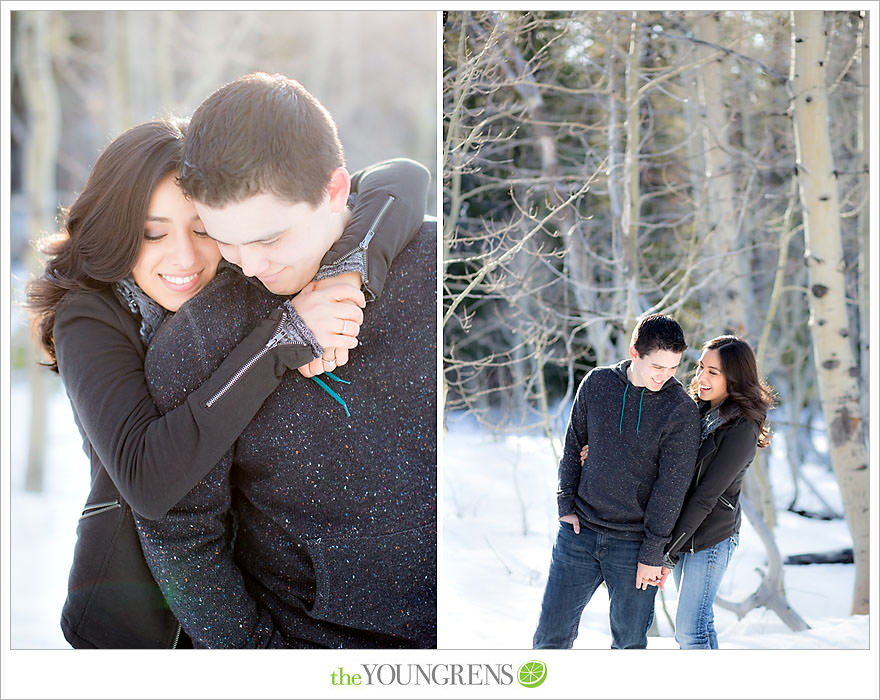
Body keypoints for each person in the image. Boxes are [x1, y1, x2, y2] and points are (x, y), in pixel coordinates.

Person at [26, 117, 430, 648]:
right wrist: (282, 341)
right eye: (152, 233)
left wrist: (348, 268)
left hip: (241, 586)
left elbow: (401, 178)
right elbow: (148, 478)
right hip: (139, 615)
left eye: (203, 230)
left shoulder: (246, 265)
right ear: (118, 229)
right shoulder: (89, 318)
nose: (185, 258)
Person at [133, 72, 436, 648]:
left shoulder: (438, 269)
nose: (247, 266)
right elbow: (179, 529)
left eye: (270, 239)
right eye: (224, 239)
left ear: (335, 190)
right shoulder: (200, 333)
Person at [532, 313, 700, 649]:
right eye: (657, 367)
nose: (665, 376)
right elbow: (572, 445)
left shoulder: (680, 408)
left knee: (629, 645)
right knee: (550, 636)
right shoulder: (596, 384)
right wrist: (565, 505)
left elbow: (672, 487)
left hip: (635, 545)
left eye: (673, 368)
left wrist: (653, 552)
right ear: (635, 353)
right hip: (579, 534)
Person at [659, 335, 774, 649]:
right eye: (700, 368)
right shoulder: (698, 411)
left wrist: (668, 552)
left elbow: (706, 495)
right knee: (700, 626)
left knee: (688, 633)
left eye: (713, 372)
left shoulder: (741, 428)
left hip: (709, 539)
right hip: (685, 532)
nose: (700, 378)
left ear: (734, 378)